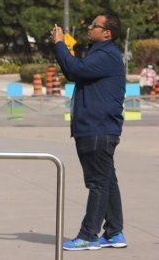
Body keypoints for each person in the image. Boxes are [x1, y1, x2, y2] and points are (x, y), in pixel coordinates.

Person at [52, 15, 128, 251]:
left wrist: (59, 44)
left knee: (97, 183)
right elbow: (74, 73)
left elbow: (75, 68)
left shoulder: (106, 55)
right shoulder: (99, 53)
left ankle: (89, 235)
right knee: (107, 181)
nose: (89, 27)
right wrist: (61, 49)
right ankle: (114, 232)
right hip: (95, 128)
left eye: (95, 25)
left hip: (97, 129)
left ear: (107, 33)